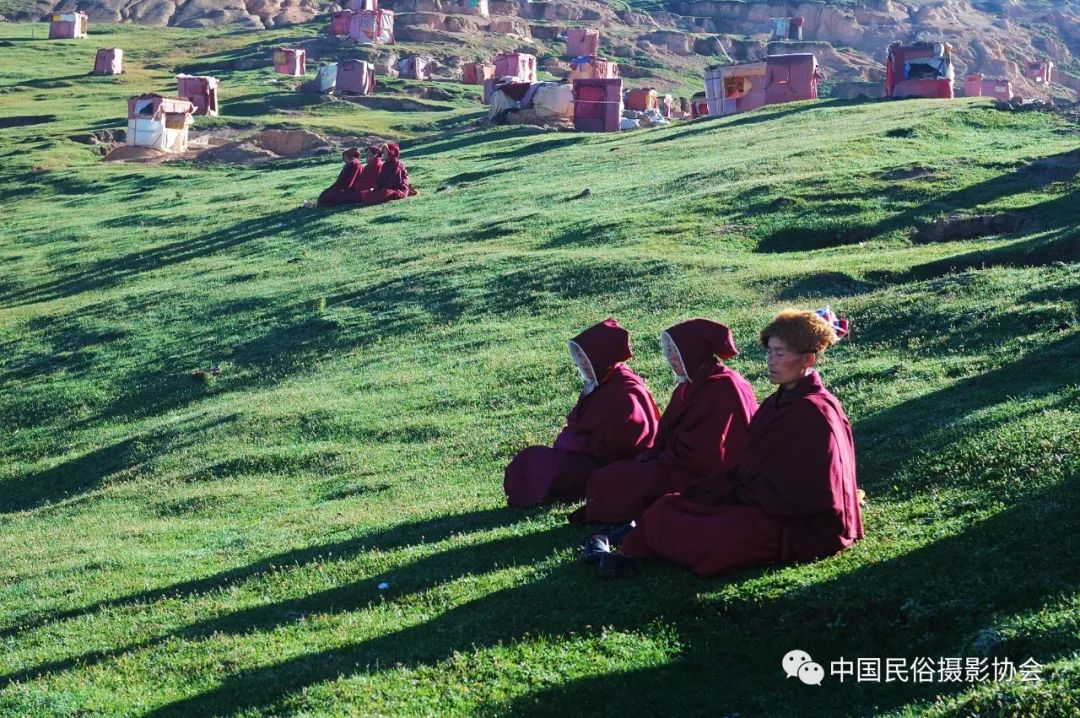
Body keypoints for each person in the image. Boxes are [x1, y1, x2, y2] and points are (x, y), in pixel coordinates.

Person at [607, 308, 863, 578]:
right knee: (669, 506)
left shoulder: (817, 411)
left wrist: (747, 495)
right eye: (769, 352)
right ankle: (645, 539)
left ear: (808, 359)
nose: (771, 361)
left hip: (799, 522)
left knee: (721, 534)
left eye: (780, 354)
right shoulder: (777, 402)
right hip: (758, 500)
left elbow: (814, 490)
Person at [576, 318, 758, 524]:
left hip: (701, 475)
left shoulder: (725, 385)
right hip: (673, 462)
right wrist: (655, 456)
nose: (670, 357)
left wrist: (666, 457)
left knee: (611, 479)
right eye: (668, 350)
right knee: (609, 476)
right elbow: (666, 433)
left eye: (676, 351)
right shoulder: (687, 385)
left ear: (694, 351)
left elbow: (711, 450)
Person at [504, 318, 660, 507]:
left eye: (587, 359)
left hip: (607, 463)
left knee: (547, 466)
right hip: (584, 455)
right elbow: (578, 421)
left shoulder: (626, 388)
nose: (583, 364)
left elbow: (627, 439)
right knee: (532, 457)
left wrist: (580, 444)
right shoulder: (599, 381)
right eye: (580, 359)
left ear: (602, 356)